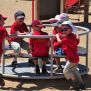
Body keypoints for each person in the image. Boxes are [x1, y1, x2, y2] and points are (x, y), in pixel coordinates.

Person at [54, 20, 86, 90]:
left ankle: (75, 82)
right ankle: (81, 83)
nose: (63, 31)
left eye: (65, 29)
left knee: (65, 71)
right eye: (62, 29)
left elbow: (59, 41)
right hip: (75, 57)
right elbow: (77, 41)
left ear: (71, 29)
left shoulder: (67, 38)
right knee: (74, 70)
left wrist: (57, 35)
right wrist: (77, 35)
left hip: (71, 58)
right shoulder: (72, 36)